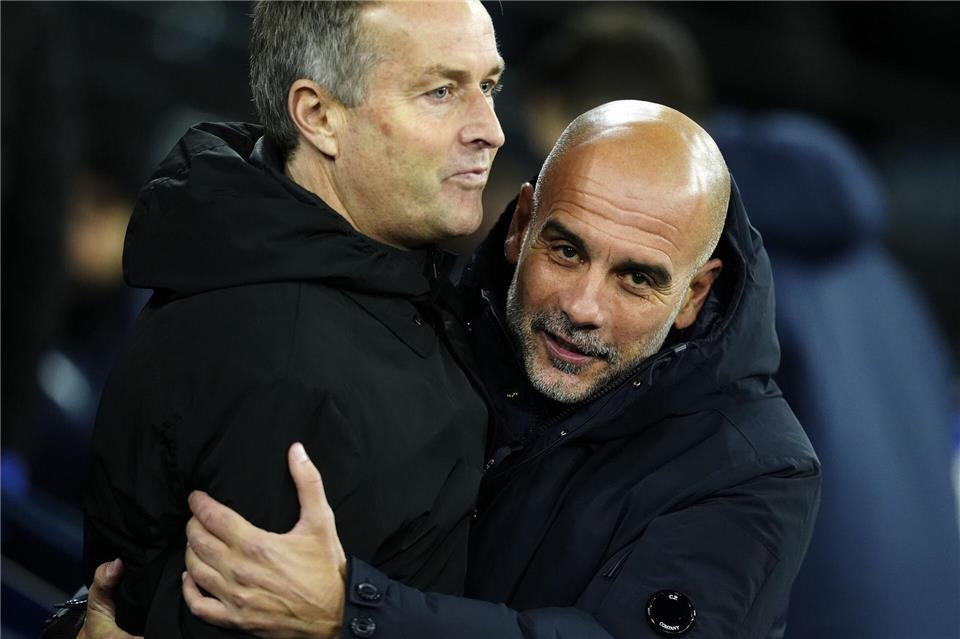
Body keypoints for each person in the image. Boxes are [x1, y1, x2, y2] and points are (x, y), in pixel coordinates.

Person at [85, 101, 821, 638]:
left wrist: (353, 609)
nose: (584, 305)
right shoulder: (437, 323)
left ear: (694, 292)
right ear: (521, 224)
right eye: (565, 249)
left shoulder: (756, 470)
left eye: (637, 279)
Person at [79, 1, 505, 636]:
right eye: (441, 91)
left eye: (490, 85)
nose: (490, 129)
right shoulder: (290, 368)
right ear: (319, 116)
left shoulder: (365, 275)